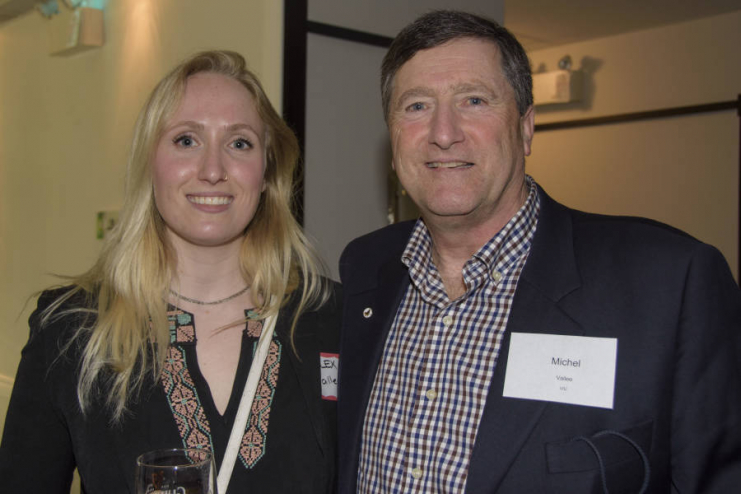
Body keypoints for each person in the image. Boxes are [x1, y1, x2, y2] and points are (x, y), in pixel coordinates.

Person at [338, 10, 741, 494]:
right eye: (417, 106)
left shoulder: (669, 284)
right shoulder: (364, 267)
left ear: (526, 126)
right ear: (392, 133)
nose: (444, 132)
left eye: (474, 100)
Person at [0, 50, 340, 493]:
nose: (213, 170)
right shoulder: (71, 329)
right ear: (150, 161)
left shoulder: (332, 319)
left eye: (239, 143)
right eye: (186, 140)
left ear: (267, 170)